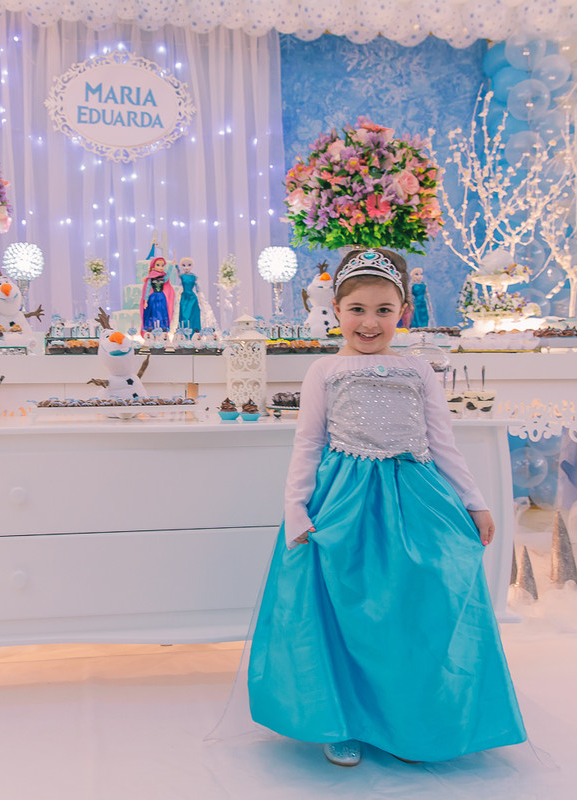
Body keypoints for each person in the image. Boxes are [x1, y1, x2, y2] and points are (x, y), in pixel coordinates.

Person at [247, 247, 527, 767]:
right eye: (357, 309)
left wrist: (476, 502)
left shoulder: (418, 371)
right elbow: (306, 445)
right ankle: (343, 719)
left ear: (403, 313)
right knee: (347, 614)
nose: (369, 322)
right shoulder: (324, 371)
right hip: (345, 503)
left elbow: (442, 442)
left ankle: (414, 720)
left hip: (416, 500)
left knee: (412, 611)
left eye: (383, 310)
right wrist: (297, 510)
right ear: (336, 309)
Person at [140, 256, 175, 332]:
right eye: (158, 265)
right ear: (153, 266)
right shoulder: (151, 278)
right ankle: (152, 327)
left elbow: (168, 275)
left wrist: (171, 265)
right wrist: (145, 300)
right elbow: (147, 288)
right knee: (153, 312)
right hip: (153, 297)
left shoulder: (163, 277)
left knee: (161, 312)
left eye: (162, 265)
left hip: (161, 297)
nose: (161, 267)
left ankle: (162, 327)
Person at [177, 257, 201, 333]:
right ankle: (184, 333)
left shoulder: (194, 276)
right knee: (184, 314)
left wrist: (199, 299)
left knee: (193, 315)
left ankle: (194, 332)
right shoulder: (182, 276)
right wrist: (175, 265)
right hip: (184, 297)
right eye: (184, 265)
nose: (186, 267)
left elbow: (198, 288)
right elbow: (178, 272)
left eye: (189, 265)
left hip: (192, 297)